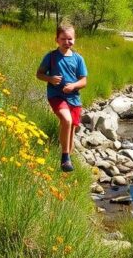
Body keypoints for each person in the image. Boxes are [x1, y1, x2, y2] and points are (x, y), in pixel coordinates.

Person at [36, 22, 88, 172]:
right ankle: (65, 156)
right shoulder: (51, 57)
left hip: (74, 98)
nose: (67, 42)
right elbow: (39, 74)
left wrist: (73, 86)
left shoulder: (78, 59)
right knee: (66, 120)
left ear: (75, 39)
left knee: (71, 129)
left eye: (70, 39)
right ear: (57, 40)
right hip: (56, 96)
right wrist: (50, 79)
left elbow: (84, 81)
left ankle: (66, 164)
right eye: (63, 39)